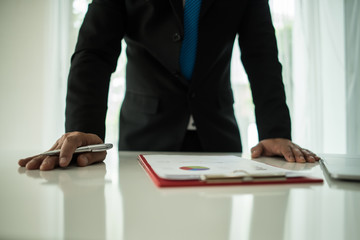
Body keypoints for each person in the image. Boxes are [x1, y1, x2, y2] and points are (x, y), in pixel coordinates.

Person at [19, 0, 320, 171]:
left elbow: (262, 57)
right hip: (144, 137)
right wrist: (85, 128)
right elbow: (94, 53)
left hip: (218, 138)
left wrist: (275, 131)